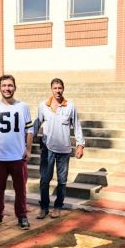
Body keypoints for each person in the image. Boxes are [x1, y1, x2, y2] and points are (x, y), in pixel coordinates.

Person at [0, 75, 34, 230]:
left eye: (10, 85)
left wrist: (28, 149)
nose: (7, 88)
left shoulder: (23, 107)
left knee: (21, 190)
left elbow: (30, 129)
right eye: (4, 85)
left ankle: (22, 216)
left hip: (18, 156)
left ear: (15, 87)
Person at [34, 78, 85, 219]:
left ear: (63, 89)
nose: (57, 90)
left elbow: (77, 125)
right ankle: (44, 207)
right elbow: (36, 123)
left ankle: (57, 207)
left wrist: (80, 145)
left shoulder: (70, 106)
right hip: (47, 148)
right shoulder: (43, 105)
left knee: (62, 181)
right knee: (45, 180)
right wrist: (29, 139)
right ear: (51, 89)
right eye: (55, 88)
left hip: (64, 150)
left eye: (60, 88)